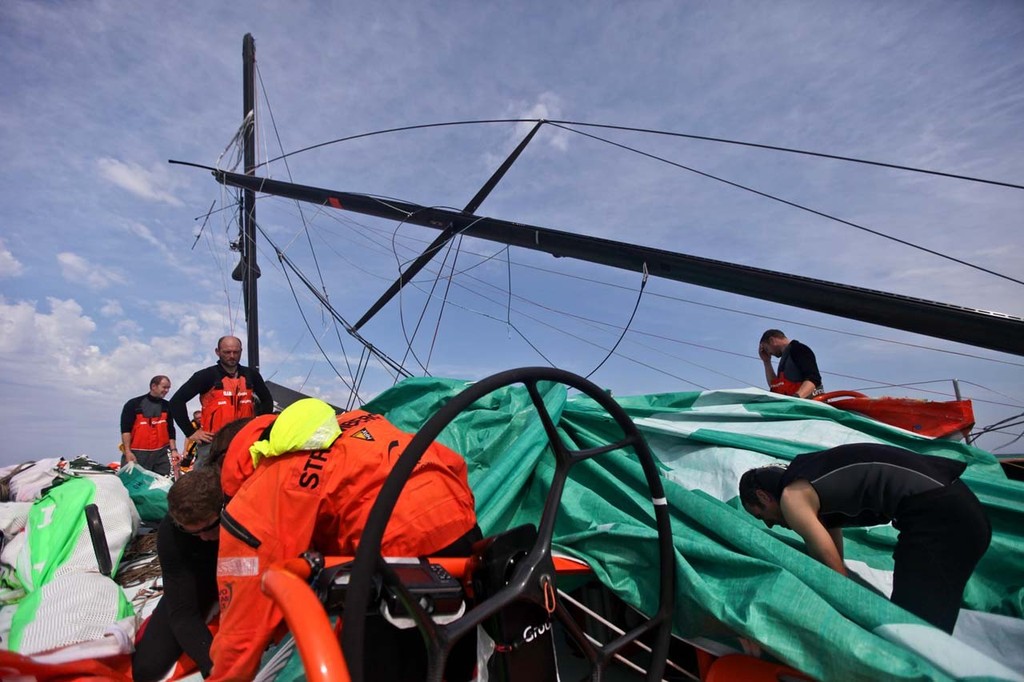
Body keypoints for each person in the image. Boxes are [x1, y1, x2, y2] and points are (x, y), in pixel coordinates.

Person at [208, 398, 479, 681]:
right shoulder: (355, 422)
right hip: (461, 532)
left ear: (225, 465)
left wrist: (225, 675)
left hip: (395, 560)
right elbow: (448, 460)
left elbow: (243, 624)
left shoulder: (260, 487)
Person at [738, 443, 991, 633]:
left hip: (938, 517)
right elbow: (832, 559)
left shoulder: (791, 498)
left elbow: (835, 576)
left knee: (910, 634)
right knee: (929, 627)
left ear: (763, 496)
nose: (770, 524)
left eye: (761, 516)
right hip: (963, 510)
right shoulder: (810, 483)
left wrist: (846, 625)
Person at [132, 420, 257, 681]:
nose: (202, 538)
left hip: (248, 570)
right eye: (192, 532)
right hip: (200, 579)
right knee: (146, 668)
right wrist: (213, 666)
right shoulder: (173, 532)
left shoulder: (244, 513)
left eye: (208, 528)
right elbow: (182, 613)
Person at [170, 336, 273, 469]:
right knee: (206, 483)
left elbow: (267, 400)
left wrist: (260, 426)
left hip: (245, 440)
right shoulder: (205, 376)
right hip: (213, 443)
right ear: (217, 352)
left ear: (241, 351)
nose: (232, 356)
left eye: (236, 352)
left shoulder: (251, 375)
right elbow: (176, 402)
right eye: (227, 352)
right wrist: (191, 432)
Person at [120, 375, 179, 477]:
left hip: (161, 454)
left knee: (163, 484)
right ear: (153, 386)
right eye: (164, 387)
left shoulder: (167, 406)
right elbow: (125, 430)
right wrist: (128, 452)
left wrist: (174, 450)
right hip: (137, 453)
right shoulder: (133, 404)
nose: (167, 390)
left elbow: (171, 430)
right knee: (132, 484)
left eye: (168, 388)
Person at [758, 329, 823, 398]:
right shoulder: (785, 359)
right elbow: (775, 386)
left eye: (767, 349)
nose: (769, 353)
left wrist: (796, 398)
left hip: (808, 405)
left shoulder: (798, 349)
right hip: (795, 405)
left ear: (772, 340)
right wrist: (766, 362)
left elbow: (813, 379)